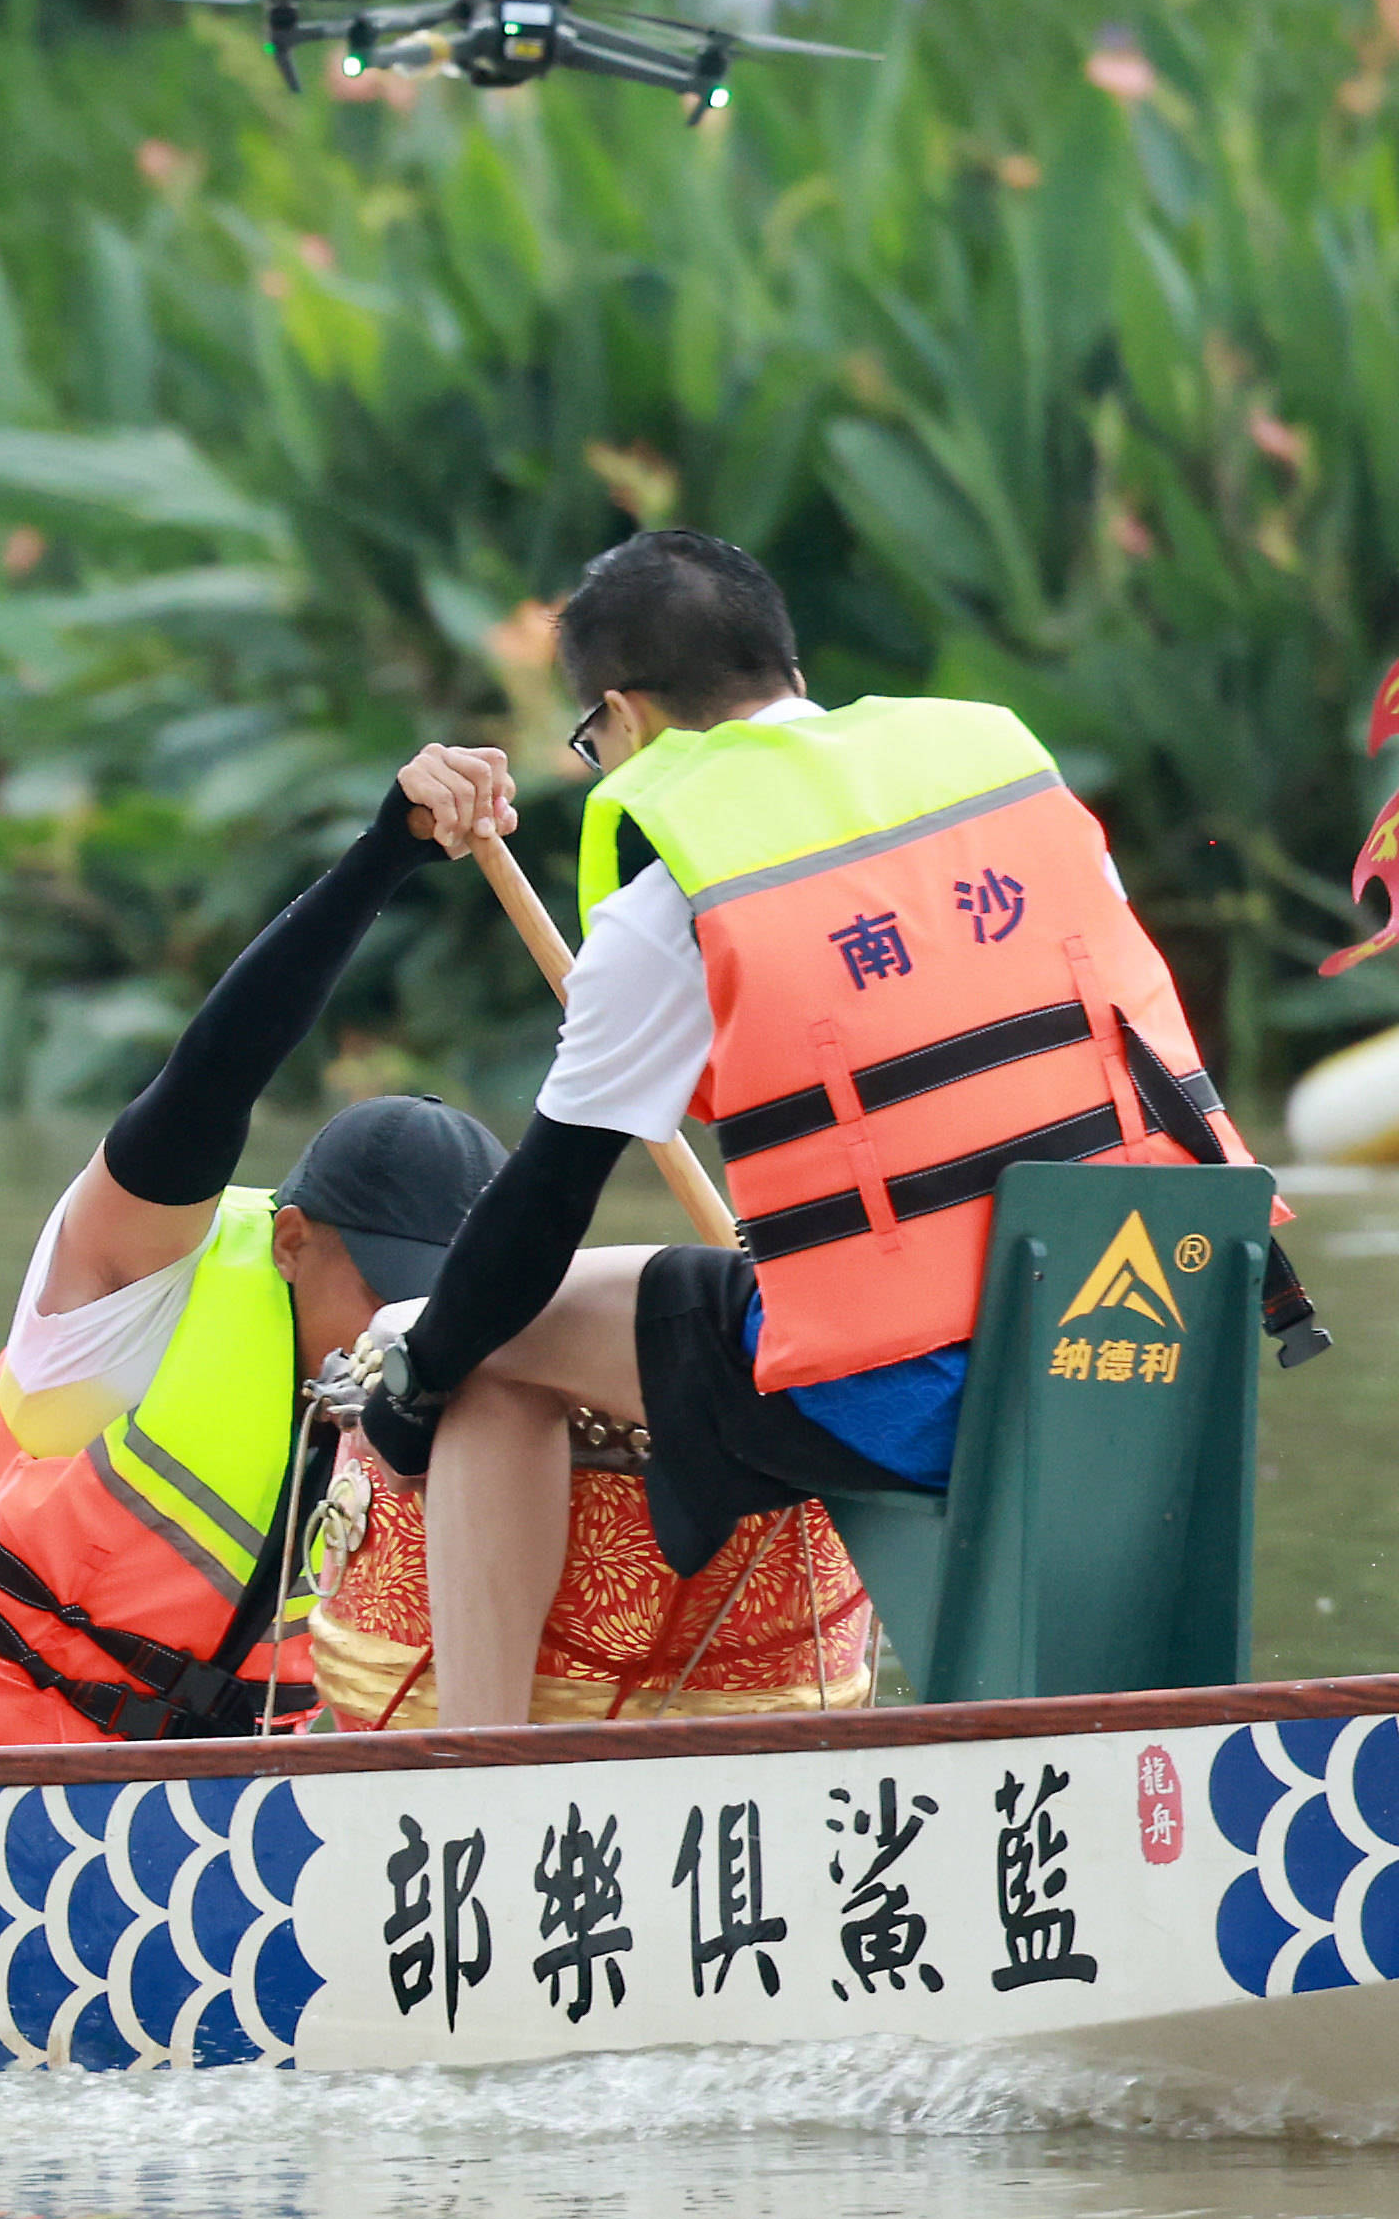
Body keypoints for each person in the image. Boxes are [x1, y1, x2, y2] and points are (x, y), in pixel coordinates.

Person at [359, 530, 1291, 1725]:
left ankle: (481, 1770)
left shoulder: (676, 894)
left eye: (591, 739)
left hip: (926, 1397)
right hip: (1166, 1350)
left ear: (624, 715)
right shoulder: (1005, 780)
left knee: (492, 1340)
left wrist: (412, 1387)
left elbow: (537, 1212)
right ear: (781, 663)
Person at [0, 748, 521, 1747]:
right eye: (389, 1293)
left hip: (218, 1815)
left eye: (436, 1306)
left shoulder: (457, 1380)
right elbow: (213, 1072)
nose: (408, 1335)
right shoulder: (135, 1279)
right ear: (293, 1240)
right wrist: (383, 858)